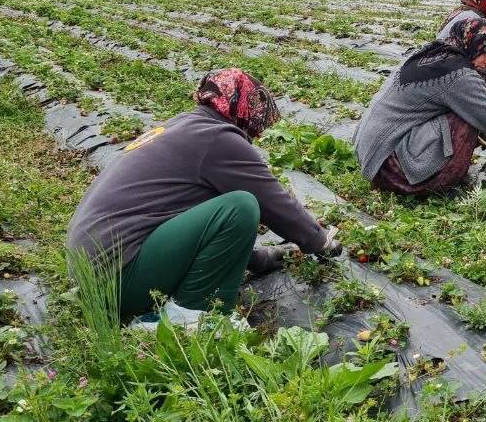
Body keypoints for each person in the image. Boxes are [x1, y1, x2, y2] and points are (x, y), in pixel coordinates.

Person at [66, 68, 340, 323]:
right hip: (116, 282)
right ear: (240, 108)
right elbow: (274, 201)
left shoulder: (185, 127)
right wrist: (319, 240)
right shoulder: (216, 138)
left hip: (93, 277)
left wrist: (260, 259)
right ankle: (187, 318)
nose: (255, 133)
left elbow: (194, 223)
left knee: (225, 209)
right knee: (240, 207)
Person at [356, 18, 486, 196]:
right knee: (466, 120)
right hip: (390, 170)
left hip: (370, 152)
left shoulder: (436, 53)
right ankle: (441, 182)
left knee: (461, 108)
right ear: (474, 44)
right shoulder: (458, 74)